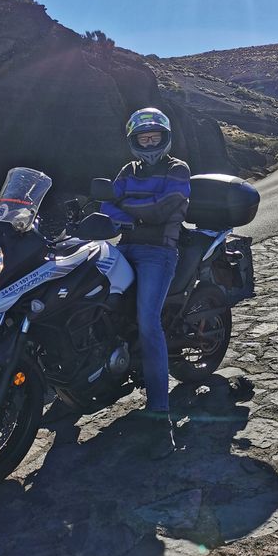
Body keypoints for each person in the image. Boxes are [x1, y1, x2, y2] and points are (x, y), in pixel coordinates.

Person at [101, 107, 190, 458]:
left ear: (164, 138)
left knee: (148, 322)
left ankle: (159, 411)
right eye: (143, 137)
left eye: (154, 137)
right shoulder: (127, 170)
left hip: (160, 251)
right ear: (134, 140)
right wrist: (129, 212)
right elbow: (109, 205)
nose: (149, 142)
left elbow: (165, 208)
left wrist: (128, 209)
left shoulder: (177, 168)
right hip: (126, 246)